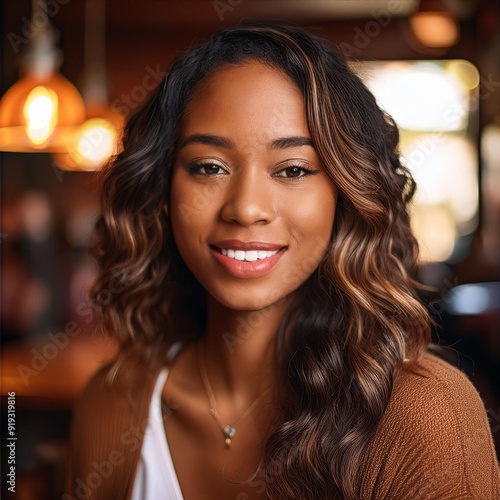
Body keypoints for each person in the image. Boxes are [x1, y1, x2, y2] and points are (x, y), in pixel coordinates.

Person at [64, 24, 500, 499]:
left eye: (293, 170)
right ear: (163, 189)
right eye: (209, 167)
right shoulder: (112, 405)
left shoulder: (424, 418)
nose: (247, 208)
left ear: (344, 194)